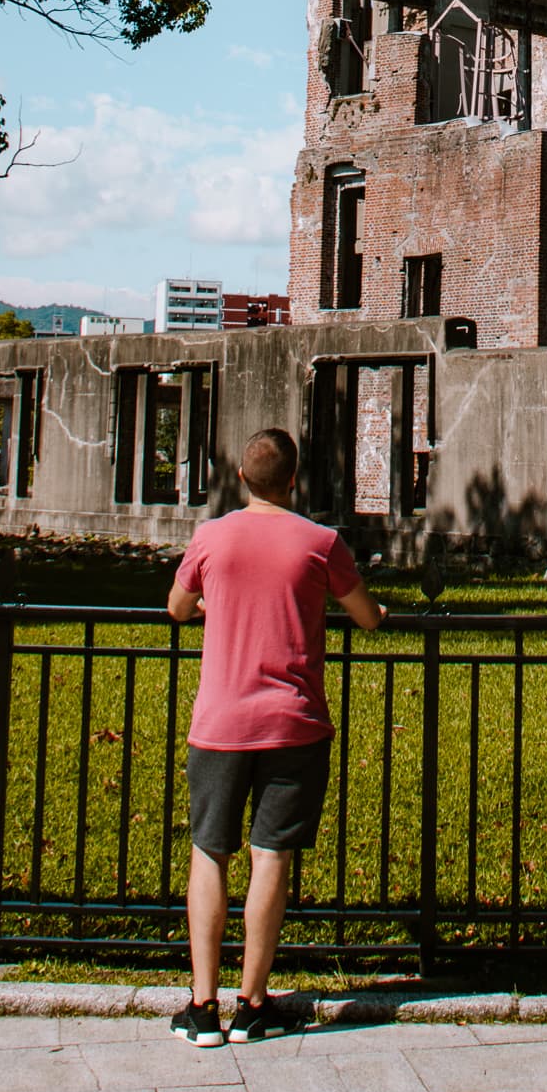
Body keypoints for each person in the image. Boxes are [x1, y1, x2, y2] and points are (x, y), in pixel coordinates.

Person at [166, 426, 387, 1045]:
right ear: (294, 481)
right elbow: (366, 616)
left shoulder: (211, 537)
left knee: (210, 852)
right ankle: (253, 1002)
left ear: (242, 477)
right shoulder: (320, 542)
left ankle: (202, 1005)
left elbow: (177, 608)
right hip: (293, 722)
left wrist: (219, 604)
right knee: (272, 856)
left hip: (219, 723)